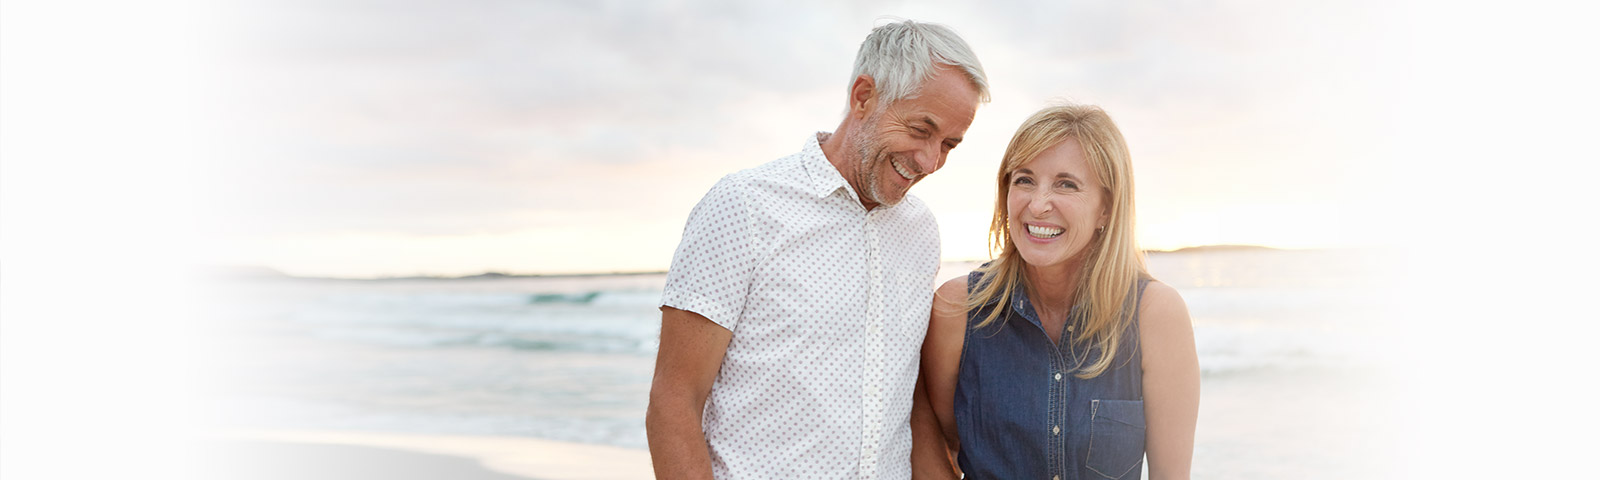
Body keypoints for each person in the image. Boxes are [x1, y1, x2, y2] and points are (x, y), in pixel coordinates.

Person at [646, 20, 991, 479]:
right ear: (863, 95)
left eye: (949, 144)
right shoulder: (744, 205)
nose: (930, 161)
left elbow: (909, 402)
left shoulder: (921, 230)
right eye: (919, 129)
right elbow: (674, 404)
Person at [911, 104, 1200, 480]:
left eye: (1066, 184)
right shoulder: (957, 309)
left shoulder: (1155, 315)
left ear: (1106, 210)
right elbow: (938, 450)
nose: (1038, 204)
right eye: (1024, 180)